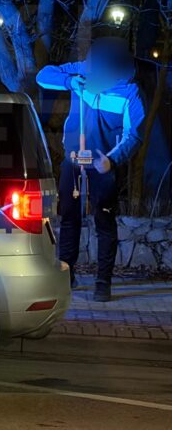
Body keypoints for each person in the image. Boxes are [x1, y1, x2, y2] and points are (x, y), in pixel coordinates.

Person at [36, 37, 145, 302]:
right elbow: (43, 76)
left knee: (104, 222)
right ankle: (67, 274)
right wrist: (70, 81)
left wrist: (112, 160)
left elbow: (134, 134)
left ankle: (102, 282)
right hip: (74, 159)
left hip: (104, 163)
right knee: (70, 220)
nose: (94, 73)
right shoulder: (82, 69)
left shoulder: (129, 91)